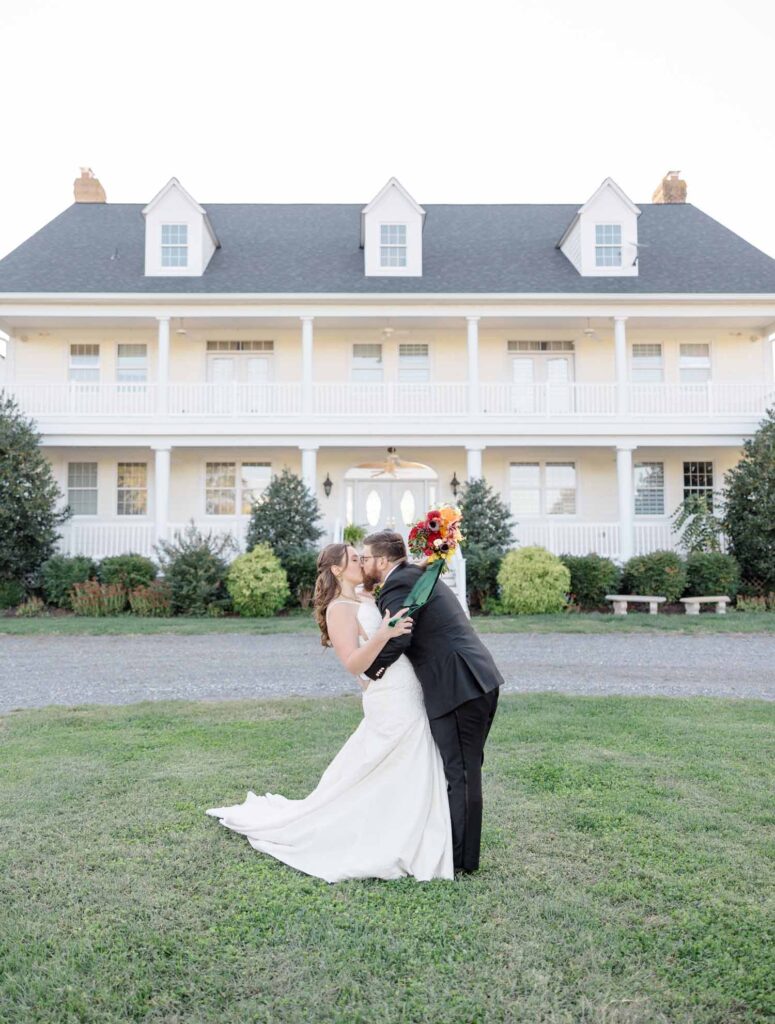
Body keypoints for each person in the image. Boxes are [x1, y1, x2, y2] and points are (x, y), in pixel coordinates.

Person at [205, 543, 454, 883]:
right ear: (337, 569)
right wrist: (384, 634)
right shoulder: (339, 608)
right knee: (395, 757)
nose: (361, 562)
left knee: (406, 758)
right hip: (389, 695)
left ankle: (409, 828)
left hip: (404, 688)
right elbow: (352, 662)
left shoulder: (367, 597)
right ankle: (396, 835)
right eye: (354, 559)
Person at [360, 531, 503, 874]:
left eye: (365, 558)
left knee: (462, 774)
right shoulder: (415, 577)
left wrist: (370, 672)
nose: (363, 563)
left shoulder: (397, 585)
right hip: (475, 679)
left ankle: (462, 862)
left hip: (458, 686)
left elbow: (400, 634)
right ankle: (455, 850)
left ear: (382, 561)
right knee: (463, 771)